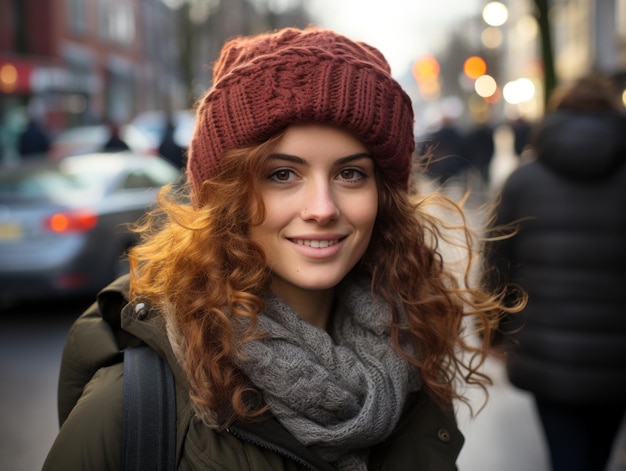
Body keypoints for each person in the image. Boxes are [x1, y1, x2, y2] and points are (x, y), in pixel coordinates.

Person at [43, 27, 518, 471]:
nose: (322, 208)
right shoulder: (132, 406)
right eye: (282, 174)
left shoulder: (411, 359)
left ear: (384, 197)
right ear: (226, 199)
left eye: (350, 173)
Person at [484, 72, 626, 471]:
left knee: (566, 455)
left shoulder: (523, 181)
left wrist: (491, 330)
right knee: (599, 454)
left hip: (548, 351)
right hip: (618, 356)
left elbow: (496, 262)